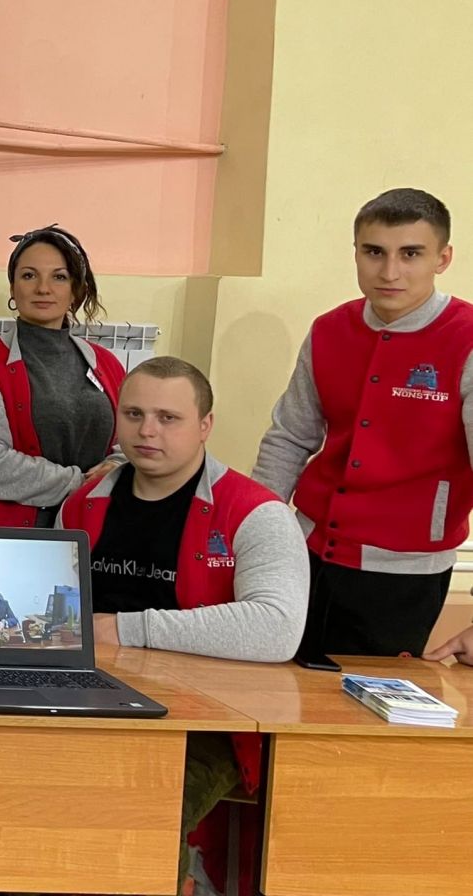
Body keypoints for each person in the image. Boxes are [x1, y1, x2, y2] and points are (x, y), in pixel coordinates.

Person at [60, 356, 308, 896]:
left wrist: (127, 629)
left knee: (140, 809)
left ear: (205, 425)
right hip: (87, 701)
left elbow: (277, 627)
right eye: (134, 414)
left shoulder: (257, 514)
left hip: (205, 724)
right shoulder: (82, 503)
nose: (147, 431)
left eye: (168, 418)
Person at [253, 188, 473, 658]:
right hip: (304, 553)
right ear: (355, 252)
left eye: (410, 254)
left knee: (360, 701)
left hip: (402, 578)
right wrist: (259, 537)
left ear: (443, 258)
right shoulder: (330, 328)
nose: (389, 272)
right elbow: (288, 439)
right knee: (269, 687)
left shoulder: (467, 339)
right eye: (374, 252)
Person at [0, 224, 125, 527]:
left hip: (93, 522)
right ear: (13, 289)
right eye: (29, 276)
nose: (43, 289)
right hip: (8, 533)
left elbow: (132, 440)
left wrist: (117, 468)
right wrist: (80, 483)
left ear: (75, 290)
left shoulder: (107, 364)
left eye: (59, 277)